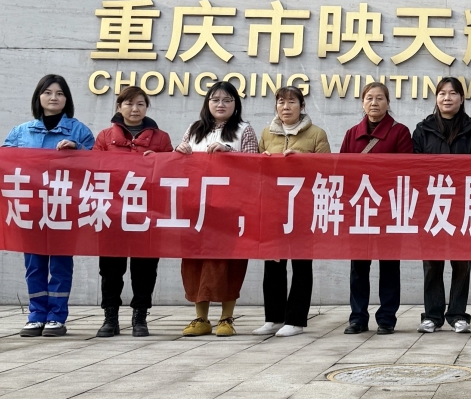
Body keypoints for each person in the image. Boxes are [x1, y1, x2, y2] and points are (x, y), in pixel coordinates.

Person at [5, 75, 94, 338]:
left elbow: (98, 164)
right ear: (38, 97)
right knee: (34, 263)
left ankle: (56, 316)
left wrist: (77, 150)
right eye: (48, 92)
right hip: (31, 207)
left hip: (64, 207)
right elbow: (6, 162)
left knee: (60, 262)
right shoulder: (21, 132)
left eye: (59, 93)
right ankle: (36, 316)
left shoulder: (79, 131)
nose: (53, 97)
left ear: (67, 99)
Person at [176, 81, 258, 337]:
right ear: (207, 103)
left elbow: (255, 165)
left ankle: (226, 318)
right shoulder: (194, 129)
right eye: (215, 99)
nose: (220, 104)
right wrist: (179, 152)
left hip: (229, 208)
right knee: (195, 261)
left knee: (228, 262)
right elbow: (178, 164)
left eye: (227, 100)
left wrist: (229, 151)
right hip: (196, 207)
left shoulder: (244, 130)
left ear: (236, 104)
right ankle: (200, 318)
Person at [92, 85, 173, 338]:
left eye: (140, 104)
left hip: (147, 210)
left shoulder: (161, 138)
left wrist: (158, 162)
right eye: (128, 103)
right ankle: (110, 317)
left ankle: (140, 316)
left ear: (147, 107)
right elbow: (93, 169)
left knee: (145, 267)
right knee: (111, 268)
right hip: (113, 211)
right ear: (119, 107)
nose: (134, 109)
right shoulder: (104, 137)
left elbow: (173, 172)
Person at [254, 86, 330, 338]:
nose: (285, 107)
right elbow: (255, 170)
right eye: (281, 102)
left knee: (301, 264)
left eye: (291, 102)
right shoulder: (266, 133)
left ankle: (296, 319)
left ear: (302, 106)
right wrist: (263, 160)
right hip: (274, 207)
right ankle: (273, 318)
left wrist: (303, 160)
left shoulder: (316, 134)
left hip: (303, 207)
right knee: (273, 263)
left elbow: (328, 170)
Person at [413, 77, 471, 335]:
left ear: (461, 98)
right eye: (442, 93)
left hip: (463, 203)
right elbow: (414, 167)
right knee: (432, 262)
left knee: (461, 262)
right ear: (436, 98)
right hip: (431, 203)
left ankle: (457, 314)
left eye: (453, 93)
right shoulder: (423, 129)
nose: (447, 98)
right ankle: (432, 315)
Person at [341, 81, 411, 334]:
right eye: (369, 98)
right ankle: (357, 317)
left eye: (380, 98)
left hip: (388, 208)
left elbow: (407, 170)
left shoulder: (400, 132)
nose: (374, 102)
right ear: (362, 103)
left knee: (389, 265)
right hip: (360, 207)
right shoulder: (352, 134)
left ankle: (387, 318)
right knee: (359, 267)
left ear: (388, 103)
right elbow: (342, 170)